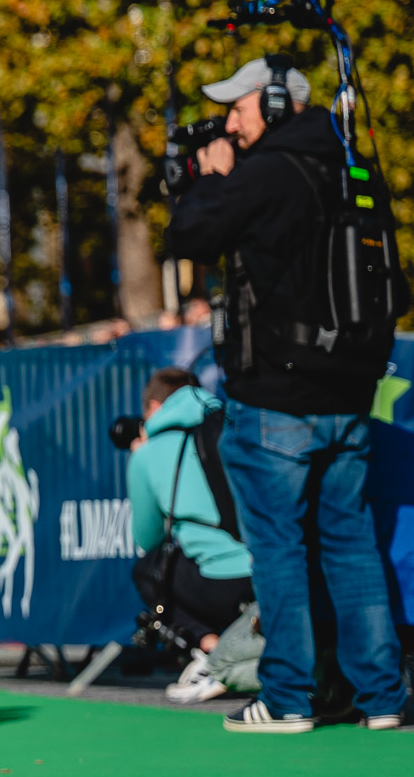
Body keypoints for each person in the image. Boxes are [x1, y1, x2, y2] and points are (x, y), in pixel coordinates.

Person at [165, 56, 406, 733]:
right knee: (351, 544)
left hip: (276, 394)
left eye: (238, 110)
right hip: (349, 393)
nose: (229, 126)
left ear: (273, 105)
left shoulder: (267, 171)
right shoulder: (351, 165)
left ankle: (288, 696)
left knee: (277, 548)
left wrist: (212, 180)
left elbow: (188, 235)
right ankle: (382, 696)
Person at [125, 367, 254, 703]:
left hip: (219, 582)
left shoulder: (149, 454)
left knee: (147, 570)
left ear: (154, 407)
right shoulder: (235, 426)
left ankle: (212, 652)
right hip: (270, 568)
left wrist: (141, 460)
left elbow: (148, 538)